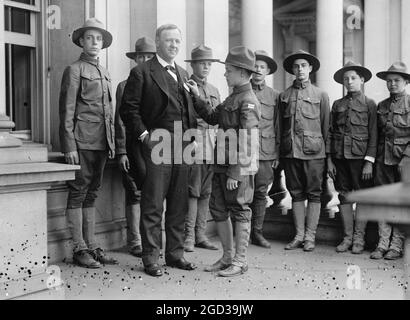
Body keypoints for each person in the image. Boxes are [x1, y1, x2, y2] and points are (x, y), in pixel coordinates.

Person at [120, 24, 197, 277]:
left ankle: (175, 255)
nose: (174, 45)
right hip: (157, 146)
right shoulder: (142, 72)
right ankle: (151, 258)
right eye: (168, 41)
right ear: (158, 42)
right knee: (153, 205)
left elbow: (189, 111)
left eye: (177, 41)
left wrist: (192, 138)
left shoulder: (184, 74)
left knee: (178, 204)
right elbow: (128, 110)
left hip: (183, 147)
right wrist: (144, 137)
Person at [187, 46, 261, 277]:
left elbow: (248, 140)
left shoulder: (247, 100)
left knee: (239, 209)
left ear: (241, 72)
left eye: (228, 70)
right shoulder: (233, 96)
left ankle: (240, 261)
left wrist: (236, 172)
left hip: (236, 168)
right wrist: (196, 96)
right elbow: (212, 117)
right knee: (218, 209)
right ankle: (228, 257)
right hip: (220, 163)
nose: (225, 74)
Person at [59, 18, 118, 268]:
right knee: (78, 193)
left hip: (102, 142)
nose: (95, 42)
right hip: (82, 142)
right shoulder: (74, 70)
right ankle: (79, 248)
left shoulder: (104, 72)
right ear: (81, 42)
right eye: (90, 38)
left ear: (103, 44)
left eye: (99, 39)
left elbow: (108, 112)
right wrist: (69, 145)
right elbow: (66, 111)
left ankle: (92, 246)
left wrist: (113, 143)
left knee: (92, 194)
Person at [279, 50, 330, 252]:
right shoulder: (284, 96)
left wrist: (329, 158)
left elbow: (326, 128)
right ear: (292, 69)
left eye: (303, 66)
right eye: (296, 66)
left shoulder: (321, 95)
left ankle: (310, 236)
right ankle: (299, 235)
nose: (300, 69)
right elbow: (280, 127)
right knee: (296, 193)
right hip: (291, 153)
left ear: (310, 69)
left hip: (314, 153)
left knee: (315, 194)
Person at [326, 61, 377, 254]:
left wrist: (368, 162)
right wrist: (330, 159)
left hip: (359, 158)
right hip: (340, 158)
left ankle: (359, 239)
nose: (349, 81)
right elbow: (331, 133)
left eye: (353, 78)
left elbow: (374, 135)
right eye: (346, 79)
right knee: (344, 196)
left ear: (362, 80)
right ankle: (347, 238)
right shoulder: (338, 104)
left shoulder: (369, 104)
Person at [114, 37, 156, 258]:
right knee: (135, 193)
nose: (145, 60)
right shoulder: (125, 85)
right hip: (132, 147)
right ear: (135, 59)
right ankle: (135, 241)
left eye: (149, 57)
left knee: (155, 193)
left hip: (154, 148)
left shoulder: (159, 84)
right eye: (141, 57)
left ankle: (152, 240)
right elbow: (120, 120)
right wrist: (121, 150)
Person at [370, 62, 410, 260]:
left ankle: (396, 245)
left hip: (404, 163)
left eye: (397, 80)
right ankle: (382, 243)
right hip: (383, 161)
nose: (392, 84)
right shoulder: (382, 106)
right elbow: (376, 136)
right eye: (389, 81)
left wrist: (407, 157)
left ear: (406, 82)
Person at [183, 45, 221, 252]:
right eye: (202, 63)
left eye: (209, 63)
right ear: (194, 65)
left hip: (211, 145)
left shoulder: (214, 90)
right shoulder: (186, 87)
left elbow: (217, 118)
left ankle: (200, 234)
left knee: (206, 192)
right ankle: (188, 236)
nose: (206, 66)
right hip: (194, 144)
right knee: (192, 191)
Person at [249, 50, 280, 249]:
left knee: (261, 193)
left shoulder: (275, 96)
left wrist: (276, 152)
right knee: (243, 193)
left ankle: (257, 233)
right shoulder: (241, 91)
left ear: (267, 71)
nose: (258, 70)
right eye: (255, 66)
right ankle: (242, 232)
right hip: (245, 151)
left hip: (266, 152)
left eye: (262, 67)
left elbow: (278, 126)